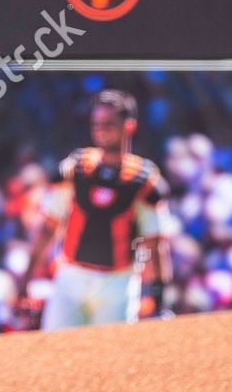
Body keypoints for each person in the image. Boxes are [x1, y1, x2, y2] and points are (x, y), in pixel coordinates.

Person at [16, 89, 174, 328]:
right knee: (56, 352)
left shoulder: (142, 181)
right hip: (71, 277)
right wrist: (25, 280)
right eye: (96, 123)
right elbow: (48, 227)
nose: (101, 129)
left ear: (128, 126)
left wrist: (159, 299)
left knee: (111, 358)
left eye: (109, 124)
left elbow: (155, 243)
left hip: (117, 282)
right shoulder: (76, 169)